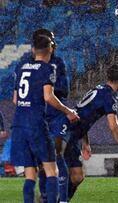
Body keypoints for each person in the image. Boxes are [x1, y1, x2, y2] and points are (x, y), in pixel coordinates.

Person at [11, 34, 79, 203]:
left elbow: (15, 99)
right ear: (50, 49)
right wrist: (67, 110)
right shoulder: (47, 69)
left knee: (30, 174)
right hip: (36, 124)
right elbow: (48, 97)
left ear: (33, 49)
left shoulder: (20, 66)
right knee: (51, 171)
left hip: (18, 125)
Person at [59, 65, 118, 202]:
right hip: (66, 134)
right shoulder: (108, 98)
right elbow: (113, 126)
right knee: (61, 173)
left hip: (71, 134)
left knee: (77, 176)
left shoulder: (97, 89)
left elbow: (82, 114)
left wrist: (86, 143)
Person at [31, 28, 70, 203]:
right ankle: (45, 197)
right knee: (41, 160)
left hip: (55, 114)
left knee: (57, 152)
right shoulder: (27, 63)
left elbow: (64, 90)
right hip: (38, 115)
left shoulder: (58, 63)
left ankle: (62, 199)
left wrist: (48, 85)